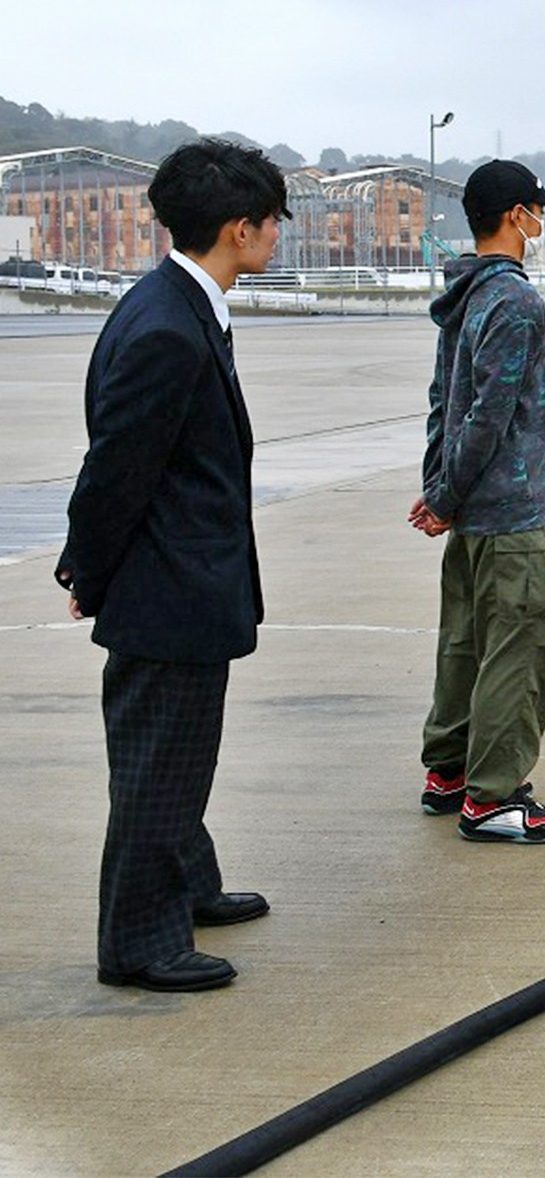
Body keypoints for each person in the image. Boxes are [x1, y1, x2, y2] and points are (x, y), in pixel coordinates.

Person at [58, 138, 289, 992]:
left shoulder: (177, 305)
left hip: (183, 577)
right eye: (270, 223)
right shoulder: (167, 328)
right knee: (161, 762)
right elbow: (117, 465)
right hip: (169, 586)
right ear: (238, 229)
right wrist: (89, 569)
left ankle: (187, 883)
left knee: (177, 753)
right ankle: (138, 942)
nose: (276, 237)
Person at [409, 159, 545, 844]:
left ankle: (449, 770)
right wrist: (446, 494)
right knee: (522, 647)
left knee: (466, 643)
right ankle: (495, 796)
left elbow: (441, 404)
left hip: (475, 512)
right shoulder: (514, 300)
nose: (542, 221)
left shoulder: (467, 294)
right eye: (538, 209)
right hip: (516, 515)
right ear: (517, 216)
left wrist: (441, 492)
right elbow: (489, 414)